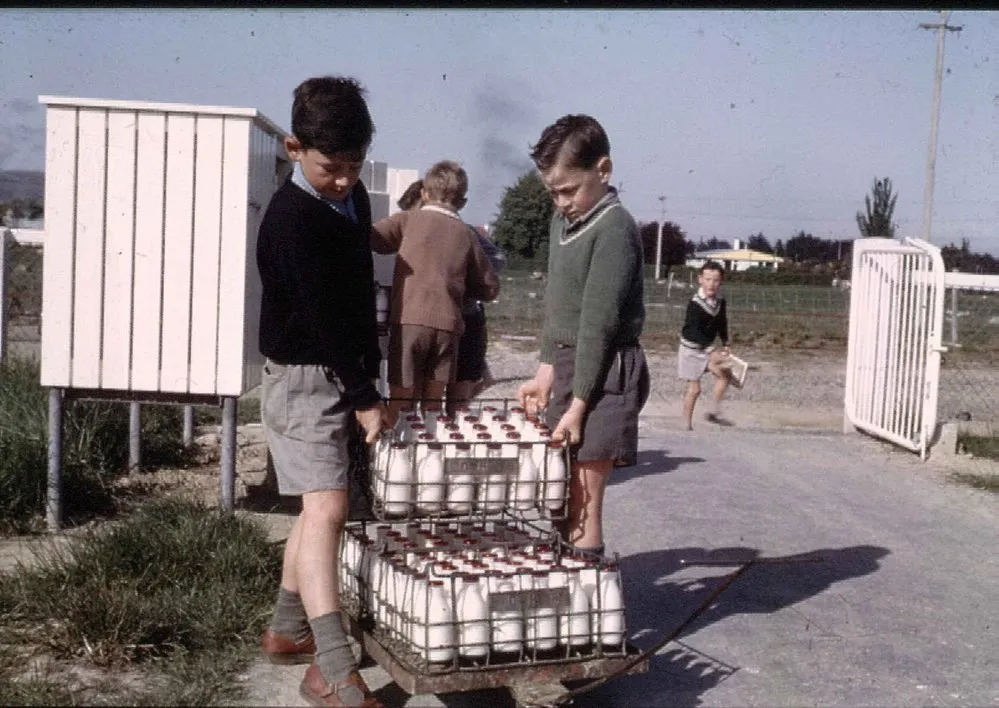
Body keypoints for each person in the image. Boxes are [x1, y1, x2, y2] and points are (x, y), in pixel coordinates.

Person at [257, 75, 386, 708]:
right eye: (329, 167)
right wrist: (364, 393)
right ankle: (331, 668)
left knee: (316, 512)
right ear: (292, 148)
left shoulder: (353, 199)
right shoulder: (289, 220)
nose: (342, 179)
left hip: (341, 369)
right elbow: (320, 319)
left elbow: (360, 295)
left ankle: (287, 631)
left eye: (353, 167)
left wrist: (372, 369)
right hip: (304, 378)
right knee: (328, 511)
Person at [517, 114, 650, 560]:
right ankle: (567, 594)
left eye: (568, 190)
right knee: (558, 495)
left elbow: (597, 326)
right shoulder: (563, 224)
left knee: (582, 502)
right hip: (571, 365)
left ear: (603, 170)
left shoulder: (614, 229)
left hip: (606, 372)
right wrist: (544, 371)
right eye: (552, 192)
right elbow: (559, 308)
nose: (560, 202)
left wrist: (577, 406)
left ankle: (586, 613)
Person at [370, 161, 499, 420]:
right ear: (462, 202)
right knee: (432, 404)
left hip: (409, 324)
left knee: (401, 398)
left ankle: (396, 451)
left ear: (424, 193)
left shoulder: (408, 219)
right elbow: (489, 287)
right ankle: (429, 446)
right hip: (448, 327)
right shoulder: (467, 234)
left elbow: (373, 239)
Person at [448, 224, 507, 408]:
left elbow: (498, 258)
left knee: (462, 388)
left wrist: (469, 277)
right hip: (430, 316)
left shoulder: (463, 231)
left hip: (466, 314)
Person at [679, 260, 734, 430]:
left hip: (707, 349)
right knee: (695, 389)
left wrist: (725, 342)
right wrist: (712, 350)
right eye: (708, 279)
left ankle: (713, 412)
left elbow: (721, 323)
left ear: (721, 282)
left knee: (725, 375)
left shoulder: (720, 301)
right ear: (700, 280)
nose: (712, 284)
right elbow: (694, 332)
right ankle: (686, 424)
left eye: (716, 280)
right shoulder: (695, 304)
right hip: (690, 350)